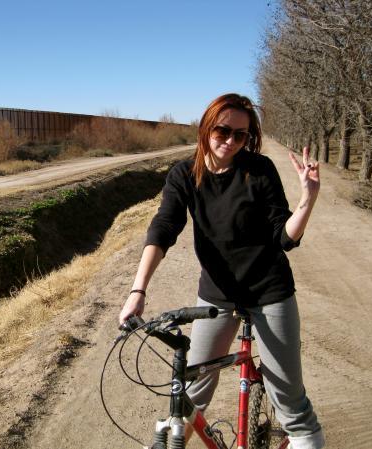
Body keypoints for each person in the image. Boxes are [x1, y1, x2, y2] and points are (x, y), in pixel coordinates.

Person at [118, 93, 325, 448]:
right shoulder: (184, 174)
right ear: (205, 128)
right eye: (222, 130)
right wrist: (138, 291)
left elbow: (284, 237)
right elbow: (164, 228)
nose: (230, 141)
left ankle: (303, 435)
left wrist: (307, 201)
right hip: (217, 294)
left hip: (269, 291)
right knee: (190, 394)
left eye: (241, 135)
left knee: (289, 401)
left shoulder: (258, 171)